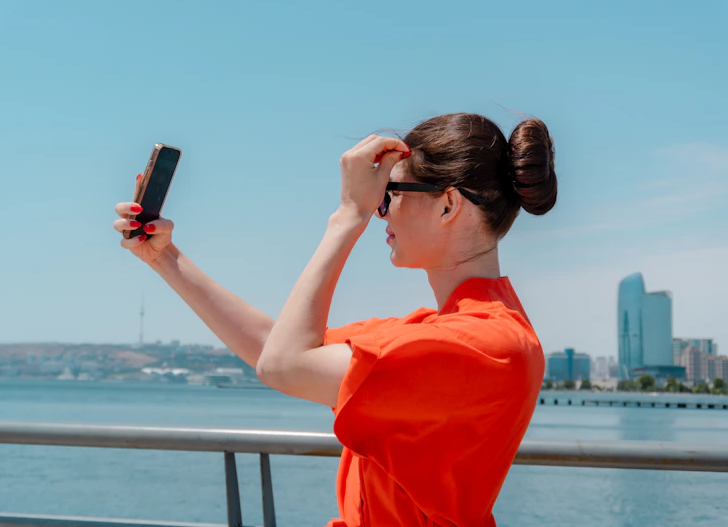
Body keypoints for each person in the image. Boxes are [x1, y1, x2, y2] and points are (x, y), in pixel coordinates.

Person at [113, 112, 557, 527]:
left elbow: (284, 364)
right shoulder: (440, 333)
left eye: (389, 195)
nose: (379, 210)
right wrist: (164, 257)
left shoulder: (479, 346)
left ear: (448, 206)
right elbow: (277, 346)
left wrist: (348, 216)